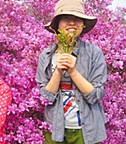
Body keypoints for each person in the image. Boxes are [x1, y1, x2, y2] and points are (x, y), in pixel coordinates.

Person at [35, 0, 107, 144]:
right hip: (55, 128)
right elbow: (47, 97)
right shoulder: (47, 56)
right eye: (66, 18)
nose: (72, 22)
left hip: (87, 129)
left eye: (77, 18)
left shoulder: (94, 53)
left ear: (83, 24)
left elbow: (96, 95)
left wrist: (73, 71)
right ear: (57, 25)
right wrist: (58, 72)